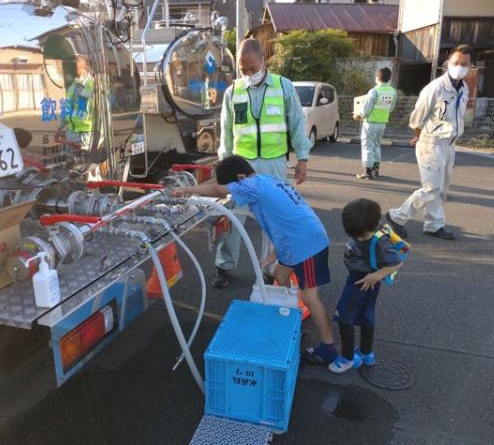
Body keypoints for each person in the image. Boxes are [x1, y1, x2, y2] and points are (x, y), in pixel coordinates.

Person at [173, 155, 337, 364]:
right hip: (295, 240)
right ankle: (289, 319)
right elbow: (284, 219)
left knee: (310, 298)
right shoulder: (266, 180)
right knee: (279, 275)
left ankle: (328, 347)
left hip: (306, 246)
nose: (231, 189)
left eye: (231, 185)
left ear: (241, 177)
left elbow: (217, 191)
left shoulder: (250, 185)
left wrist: (186, 191)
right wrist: (274, 255)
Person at [213, 38, 312, 289]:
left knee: (273, 218)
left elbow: (297, 124)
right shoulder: (233, 91)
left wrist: (302, 159)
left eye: (252, 69)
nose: (248, 74)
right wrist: (225, 163)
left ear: (263, 61)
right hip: (240, 164)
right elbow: (225, 130)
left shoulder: (283, 86)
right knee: (233, 216)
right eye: (243, 70)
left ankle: (270, 269)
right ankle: (224, 265)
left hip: (274, 163)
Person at [386, 45, 472, 240]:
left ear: (470, 66)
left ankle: (434, 224)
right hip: (431, 143)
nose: (460, 67)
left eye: (464, 64)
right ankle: (397, 216)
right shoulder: (436, 88)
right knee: (431, 188)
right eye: (456, 63)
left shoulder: (463, 88)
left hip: (449, 144)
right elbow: (416, 119)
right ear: (448, 64)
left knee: (442, 188)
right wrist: (420, 136)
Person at [329, 199, 405, 373]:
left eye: (360, 236)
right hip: (367, 280)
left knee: (343, 316)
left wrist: (376, 275)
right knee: (366, 315)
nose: (357, 238)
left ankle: (347, 358)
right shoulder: (369, 228)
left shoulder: (380, 241)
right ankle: (366, 353)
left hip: (361, 280)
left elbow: (397, 263)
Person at [353, 68, 397, 179]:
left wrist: (358, 115)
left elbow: (365, 109)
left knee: (367, 146)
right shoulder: (392, 92)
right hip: (382, 123)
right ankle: (375, 171)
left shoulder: (374, 91)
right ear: (389, 78)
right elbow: (391, 109)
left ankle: (367, 172)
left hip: (370, 122)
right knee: (377, 145)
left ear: (377, 77)